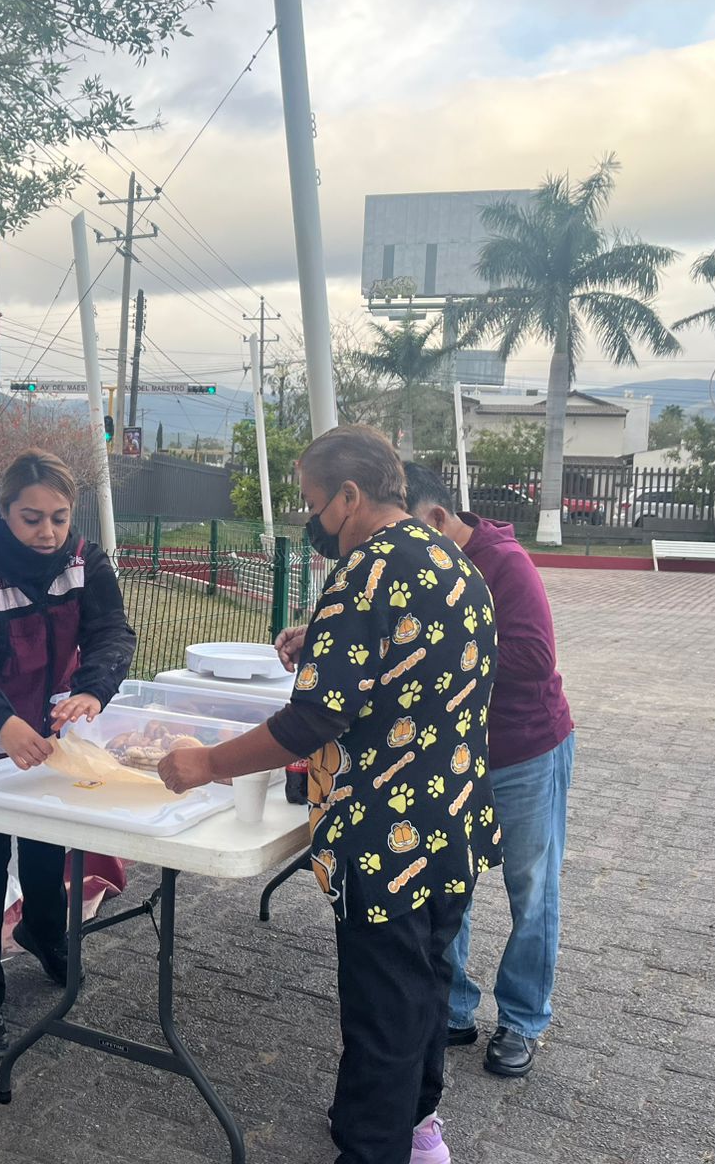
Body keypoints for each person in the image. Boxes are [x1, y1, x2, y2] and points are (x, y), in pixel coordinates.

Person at [159, 426, 499, 1164]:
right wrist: (321, 638)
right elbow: (411, 662)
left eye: (315, 503)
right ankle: (408, 1124)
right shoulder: (451, 559)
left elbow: (310, 720)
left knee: (384, 1005)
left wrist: (205, 765)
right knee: (427, 984)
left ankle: (372, 1149)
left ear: (350, 495)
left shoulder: (365, 573)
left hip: (388, 832)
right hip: (452, 819)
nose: (312, 521)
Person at [0, 450, 137, 1059]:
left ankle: (42, 928)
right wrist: (1, 722)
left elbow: (112, 632)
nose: (47, 533)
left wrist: (93, 688)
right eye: (31, 518)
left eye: (59, 519)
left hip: (49, 737)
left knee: (46, 843)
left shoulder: (86, 560)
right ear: (5, 511)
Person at [402, 463, 574, 1079]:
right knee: (454, 880)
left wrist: (441, 645)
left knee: (532, 890)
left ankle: (523, 1018)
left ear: (439, 519)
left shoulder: (504, 562)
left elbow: (534, 656)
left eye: (414, 534)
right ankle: (452, 1007)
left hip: (525, 750)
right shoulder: (419, 565)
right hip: (455, 753)